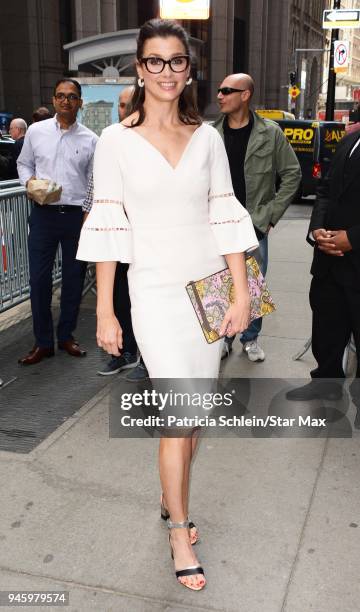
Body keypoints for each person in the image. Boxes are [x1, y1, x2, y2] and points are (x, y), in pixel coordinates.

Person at [77, 19, 257, 591]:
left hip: (207, 292)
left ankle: (168, 491)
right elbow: (109, 229)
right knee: (179, 417)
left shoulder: (206, 138)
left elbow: (224, 214)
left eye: (176, 61)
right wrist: (106, 312)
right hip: (154, 295)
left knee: (195, 414)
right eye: (154, 61)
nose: (166, 72)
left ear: (188, 68)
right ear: (139, 67)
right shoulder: (115, 141)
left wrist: (242, 293)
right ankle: (179, 527)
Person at [214, 74, 301, 362]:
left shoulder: (270, 132)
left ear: (246, 95)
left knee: (253, 283)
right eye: (219, 90)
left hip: (253, 223)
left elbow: (292, 174)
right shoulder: (211, 133)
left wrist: (270, 215)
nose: (220, 95)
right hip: (217, 224)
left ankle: (250, 338)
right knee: (220, 282)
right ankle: (224, 336)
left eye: (227, 91)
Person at [17, 78, 98, 365]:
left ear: (80, 103)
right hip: (43, 216)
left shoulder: (90, 139)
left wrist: (89, 216)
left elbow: (93, 181)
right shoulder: (36, 132)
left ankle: (66, 336)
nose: (66, 101)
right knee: (38, 281)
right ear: (53, 100)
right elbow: (23, 162)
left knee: (74, 280)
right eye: (61, 95)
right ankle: (42, 342)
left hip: (75, 217)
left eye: (72, 96)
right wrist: (29, 182)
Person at [286, 130, 360, 401]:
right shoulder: (350, 140)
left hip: (354, 253)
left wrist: (351, 239)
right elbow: (325, 190)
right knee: (327, 324)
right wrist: (317, 228)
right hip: (329, 259)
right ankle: (326, 384)